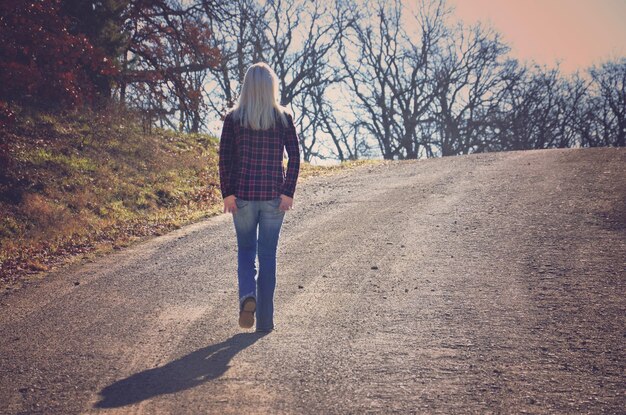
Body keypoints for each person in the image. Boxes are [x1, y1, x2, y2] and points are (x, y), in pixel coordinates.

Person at [218, 62, 301, 333]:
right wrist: (287, 191)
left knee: (245, 251)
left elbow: (225, 160)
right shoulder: (283, 118)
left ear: (246, 87)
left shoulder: (233, 118)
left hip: (242, 196)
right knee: (267, 255)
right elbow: (296, 157)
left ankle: (247, 297)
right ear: (271, 87)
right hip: (273, 198)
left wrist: (228, 194)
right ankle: (265, 321)